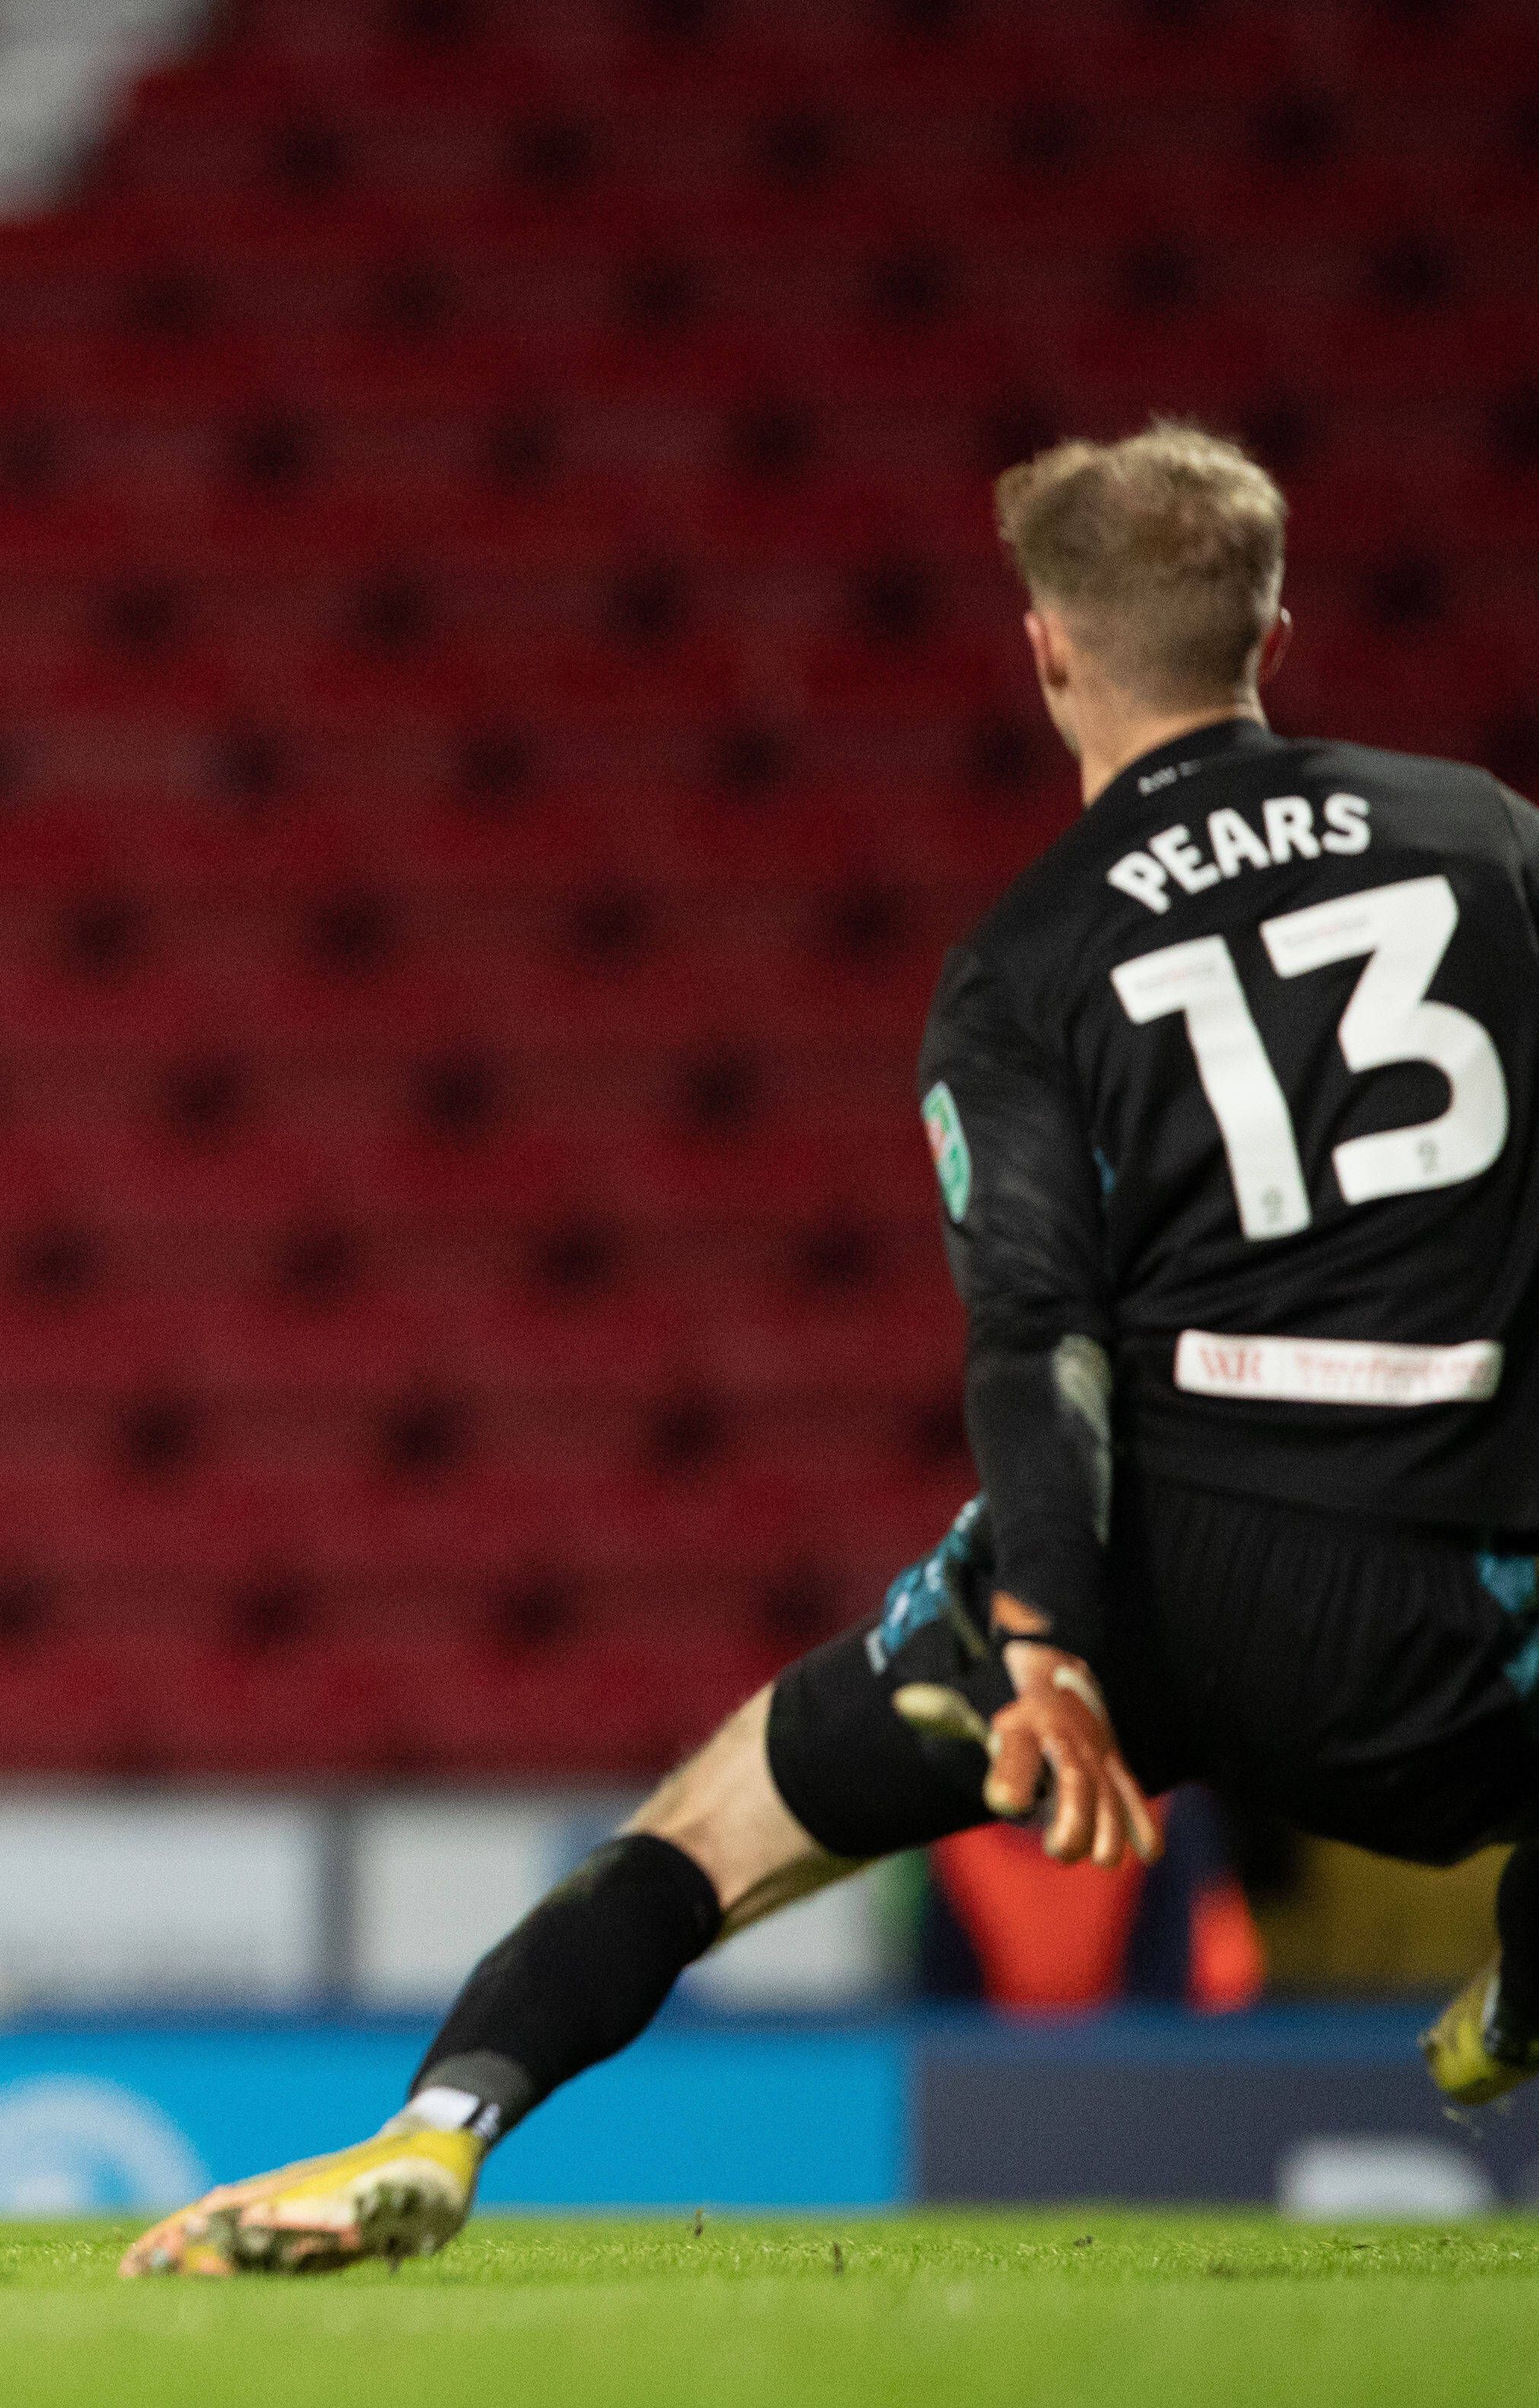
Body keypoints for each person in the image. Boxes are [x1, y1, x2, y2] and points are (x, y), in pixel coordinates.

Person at [125, 421, 1539, 2278]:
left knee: (712, 1831)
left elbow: (1037, 1325)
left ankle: (434, 2125)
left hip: (1165, 1577)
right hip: (1482, 1578)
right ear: (1273, 621)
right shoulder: (1489, 837)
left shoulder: (1027, 957)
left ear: (1043, 645)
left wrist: (1045, 1641)